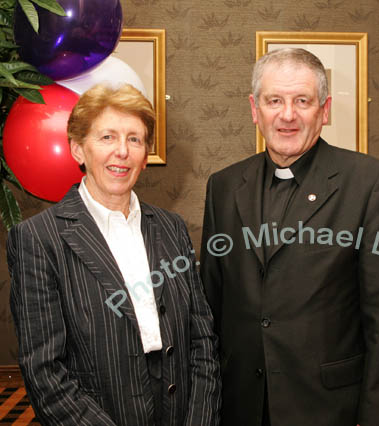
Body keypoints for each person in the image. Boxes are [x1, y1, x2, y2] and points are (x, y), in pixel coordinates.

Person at [200, 48, 379, 426]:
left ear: (324, 110)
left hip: (330, 409)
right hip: (240, 405)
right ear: (254, 108)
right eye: (274, 100)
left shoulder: (370, 183)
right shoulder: (224, 186)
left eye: (302, 101)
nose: (287, 115)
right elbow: (211, 307)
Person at [7, 83, 220, 426]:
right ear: (78, 149)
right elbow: (44, 372)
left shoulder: (171, 228)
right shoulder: (38, 238)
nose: (122, 151)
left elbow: (202, 341)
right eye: (107, 137)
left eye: (134, 139)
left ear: (145, 154)